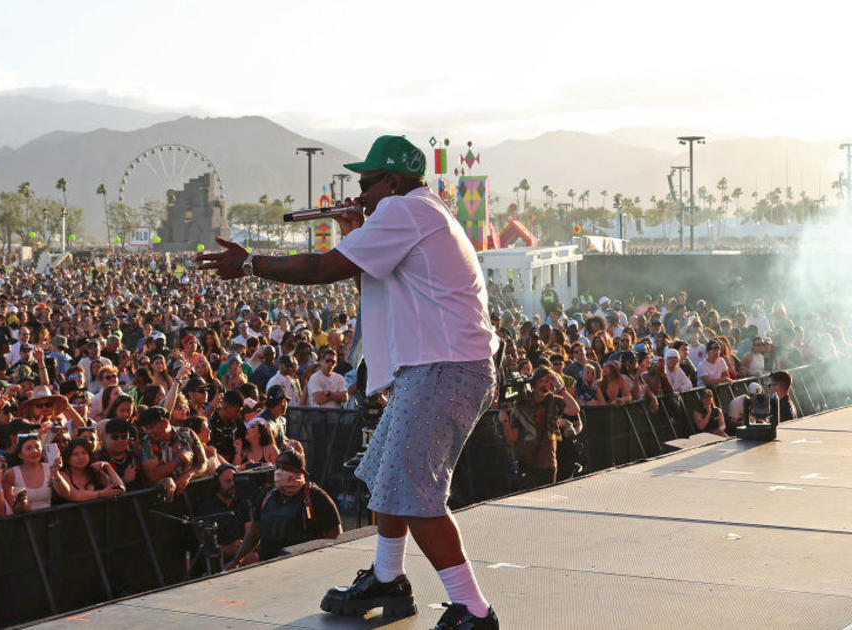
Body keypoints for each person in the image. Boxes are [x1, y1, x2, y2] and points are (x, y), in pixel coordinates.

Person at [199, 135, 501, 628]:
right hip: (434, 369)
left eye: (366, 183)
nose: (358, 192)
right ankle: (387, 577)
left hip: (444, 369)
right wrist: (356, 232)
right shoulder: (417, 212)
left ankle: (473, 608)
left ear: (394, 182)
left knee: (414, 492)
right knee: (386, 479)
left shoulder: (406, 212)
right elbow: (367, 284)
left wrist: (251, 264)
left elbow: (320, 268)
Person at [226, 449, 340, 566]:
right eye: (277, 467)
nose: (280, 472)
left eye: (286, 468)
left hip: (303, 565)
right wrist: (236, 560)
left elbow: (335, 536)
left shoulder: (316, 498)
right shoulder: (267, 496)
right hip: (268, 565)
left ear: (300, 471)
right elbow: (254, 533)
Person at [499, 367, 582, 488]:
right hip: (527, 464)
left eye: (549, 381)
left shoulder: (555, 401)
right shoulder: (521, 406)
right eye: (543, 381)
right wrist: (505, 422)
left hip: (548, 464)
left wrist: (560, 387)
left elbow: (574, 409)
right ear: (535, 382)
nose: (546, 384)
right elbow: (512, 439)